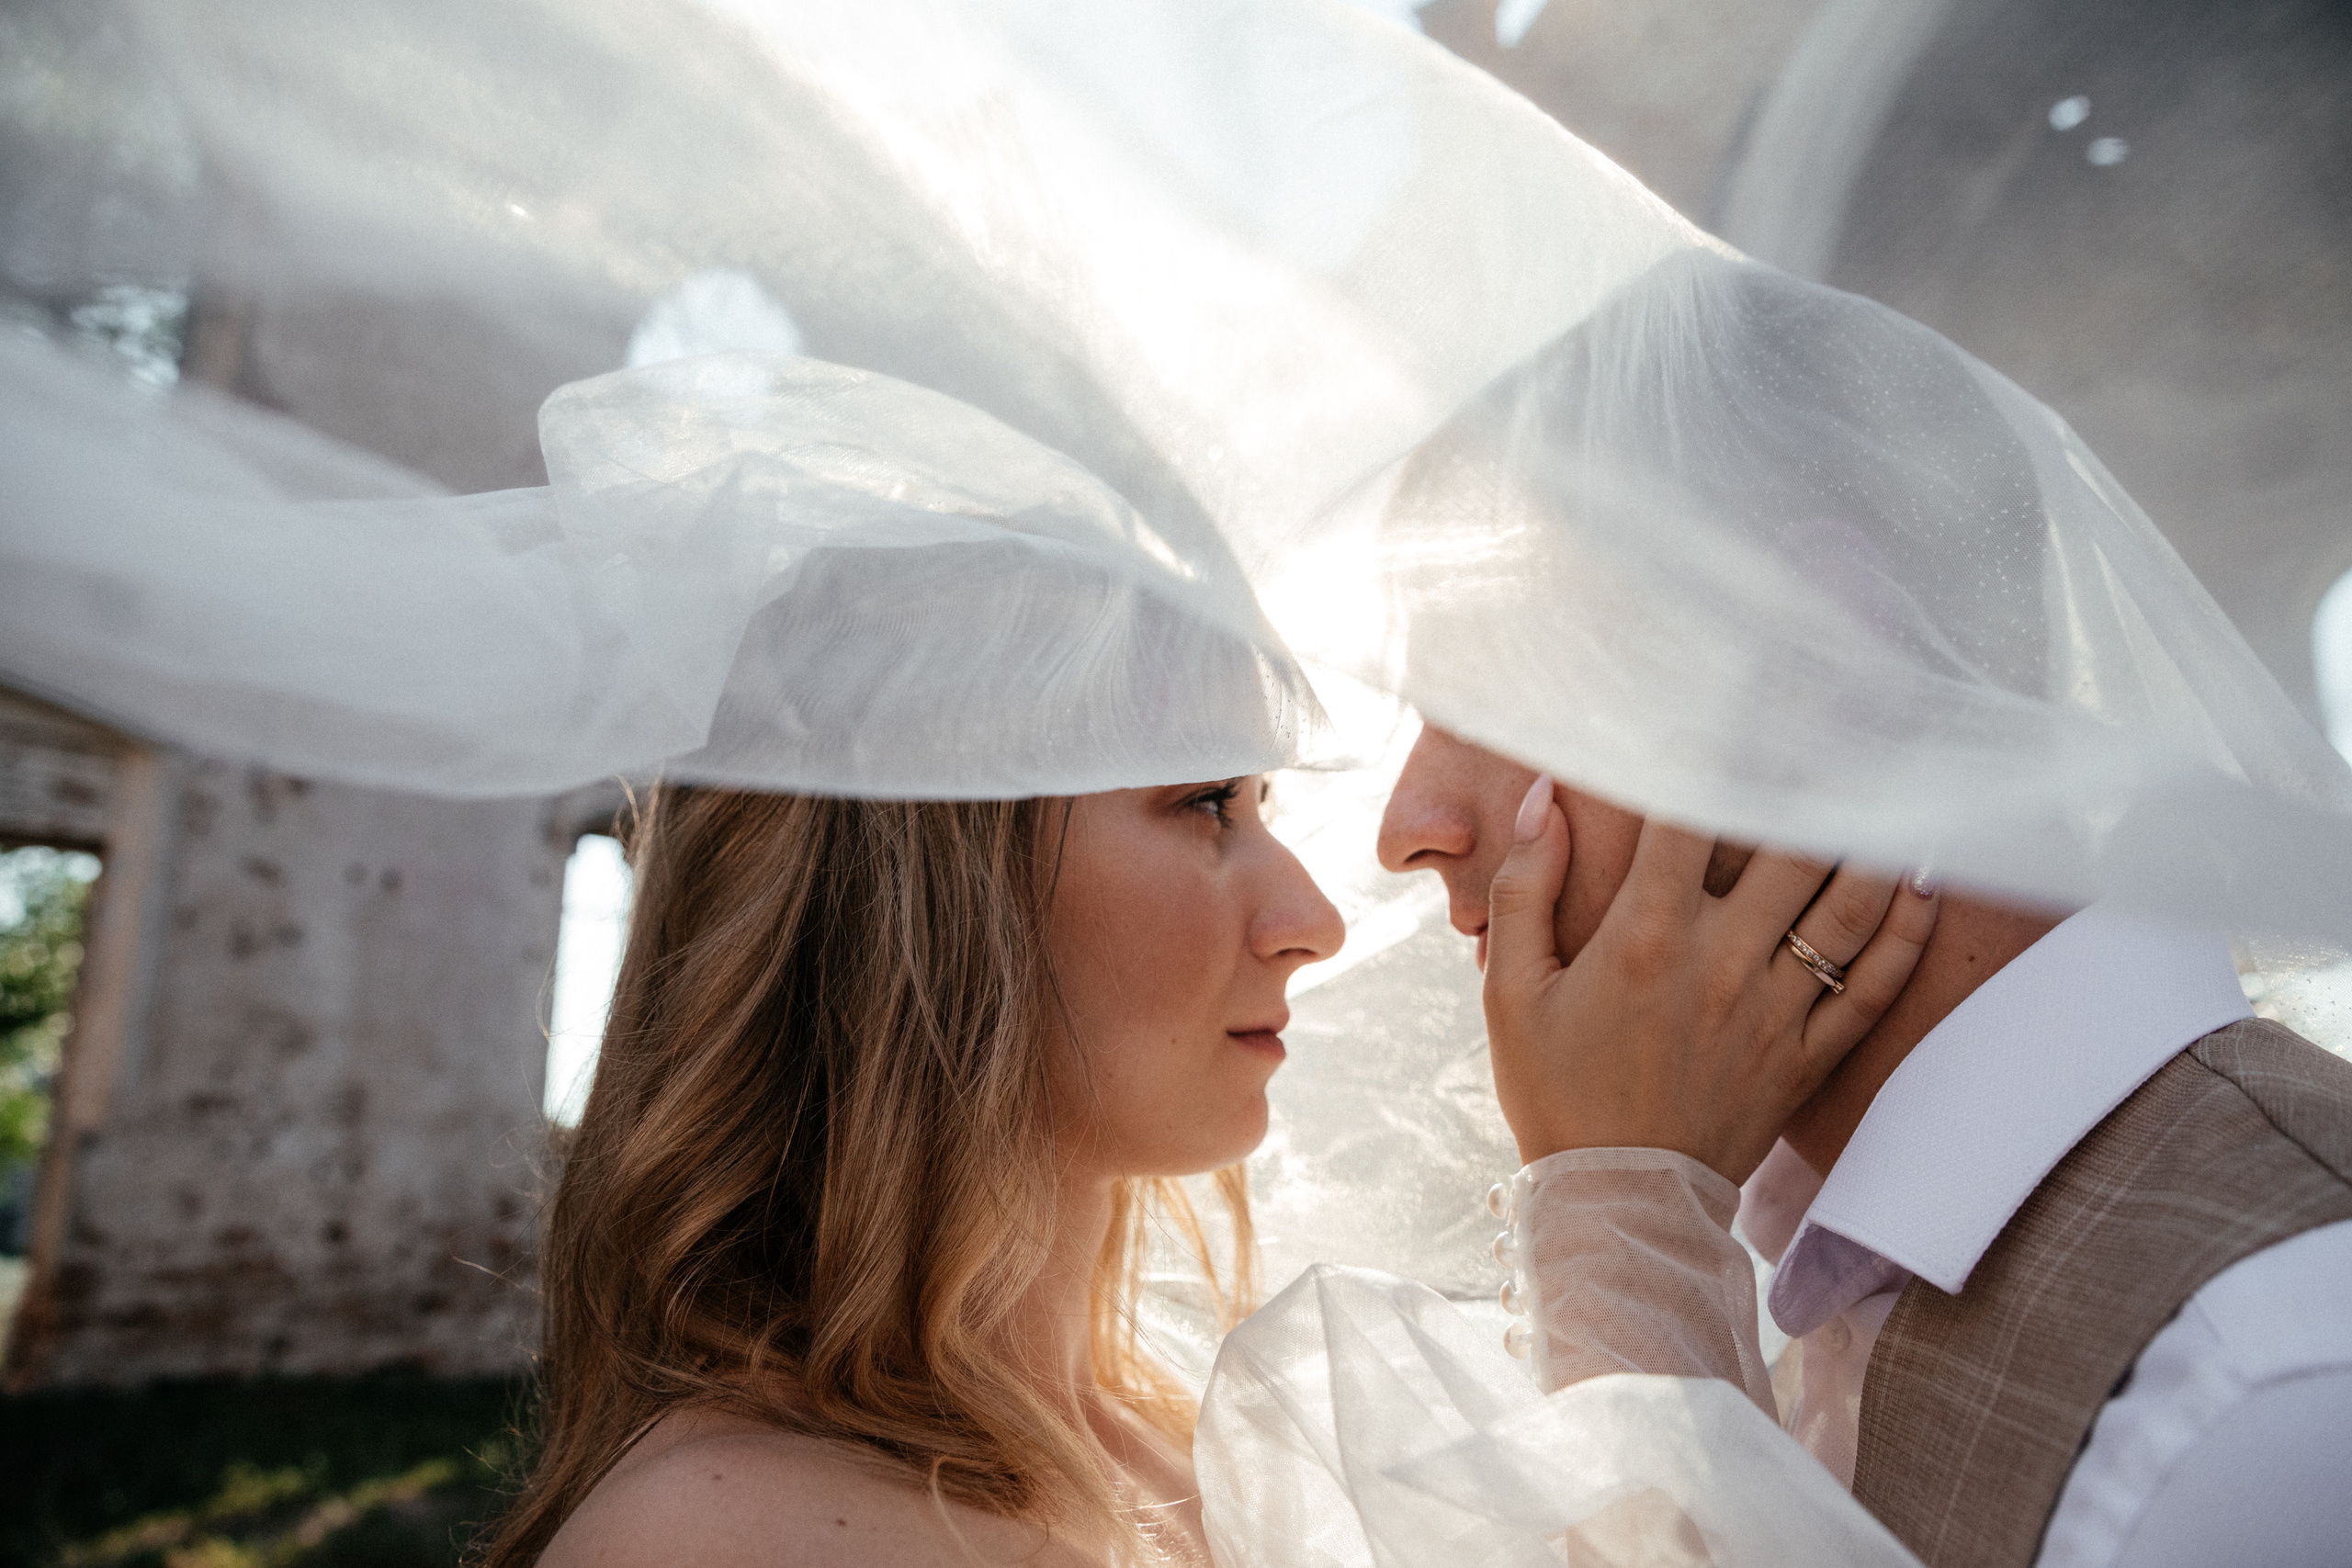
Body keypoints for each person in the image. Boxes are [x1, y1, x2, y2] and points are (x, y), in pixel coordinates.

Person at [486, 772, 1932, 1567]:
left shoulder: (1176, 1444)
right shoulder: (727, 1540)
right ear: (928, 890)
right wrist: (1631, 1202)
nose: (1310, 915)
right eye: (1202, 803)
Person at [1381, 730, 2352, 1567]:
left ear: (1807, 659)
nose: (1404, 828)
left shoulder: (2264, 1375)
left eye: (1487, 690)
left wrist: (1613, 1226)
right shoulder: (1764, 1239)